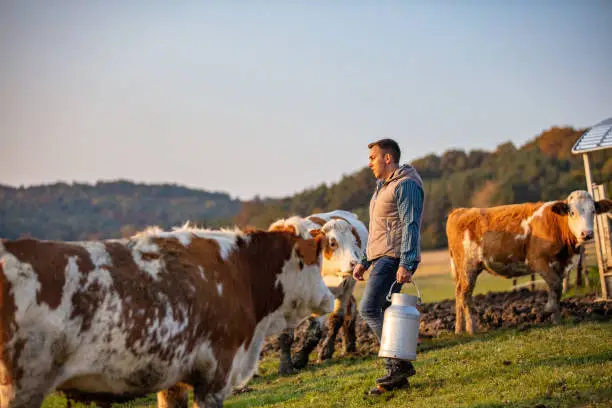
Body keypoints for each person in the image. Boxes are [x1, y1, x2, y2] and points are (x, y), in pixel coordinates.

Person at [353, 138, 425, 395]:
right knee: (382, 311)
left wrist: (406, 262)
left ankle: (399, 366)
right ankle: (398, 376)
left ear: (387, 158)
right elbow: (378, 231)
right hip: (382, 257)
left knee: (369, 308)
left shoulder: (405, 185)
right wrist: (364, 261)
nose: (369, 162)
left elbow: (410, 225)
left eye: (373, 157)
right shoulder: (383, 188)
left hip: (394, 258)